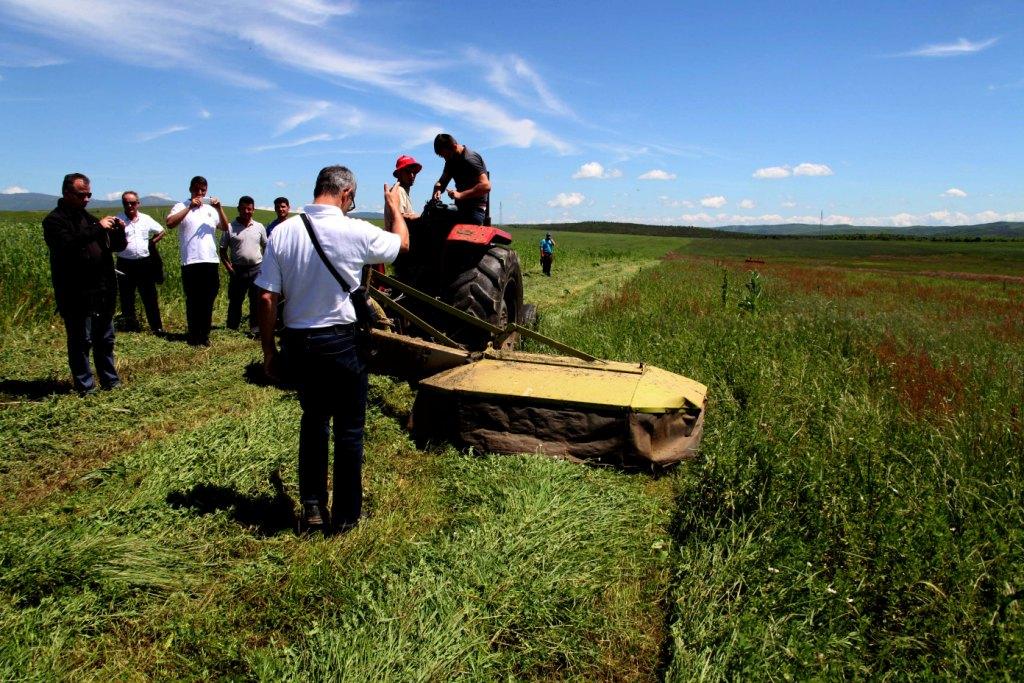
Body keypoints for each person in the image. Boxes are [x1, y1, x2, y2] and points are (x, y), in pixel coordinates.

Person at [256, 165, 410, 534]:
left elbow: (265, 297)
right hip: (343, 342)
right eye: (352, 199)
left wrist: (269, 353)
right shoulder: (354, 230)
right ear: (345, 194)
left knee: (313, 422)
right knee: (350, 430)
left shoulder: (283, 232)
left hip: (299, 341)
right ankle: (345, 517)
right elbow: (401, 245)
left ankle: (311, 507)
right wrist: (394, 209)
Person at [43, 173, 127, 395]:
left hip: (102, 289)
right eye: (82, 194)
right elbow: (68, 245)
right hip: (76, 292)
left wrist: (119, 231)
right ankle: (86, 386)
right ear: (67, 193)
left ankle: (110, 381)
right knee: (81, 341)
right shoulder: (55, 220)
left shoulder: (88, 218)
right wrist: (98, 227)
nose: (87, 198)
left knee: (105, 339)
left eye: (89, 194)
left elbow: (114, 247)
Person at [165, 176, 229, 346]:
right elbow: (170, 223)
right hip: (191, 261)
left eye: (203, 190)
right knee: (193, 300)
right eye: (197, 189)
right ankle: (193, 335)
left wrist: (219, 208)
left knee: (208, 299)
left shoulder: (211, 209)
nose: (200, 193)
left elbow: (225, 227)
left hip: (210, 260)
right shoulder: (181, 206)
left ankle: (204, 335)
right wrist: (189, 207)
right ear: (190, 190)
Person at [115, 191, 165, 334]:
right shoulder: (118, 219)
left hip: (144, 263)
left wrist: (151, 243)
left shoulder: (146, 219)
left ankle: (157, 327)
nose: (129, 205)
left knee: (149, 296)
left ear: (138, 203)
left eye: (132, 203)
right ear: (123, 204)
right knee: (126, 296)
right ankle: (130, 326)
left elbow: (161, 231)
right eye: (126, 203)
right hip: (124, 263)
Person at [219, 195, 267, 335]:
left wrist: (265, 266)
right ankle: (232, 328)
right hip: (237, 270)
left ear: (253, 210)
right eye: (244, 208)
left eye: (250, 209)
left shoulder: (259, 227)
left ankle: (255, 328)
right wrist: (229, 268)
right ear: (238, 209)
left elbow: (266, 247)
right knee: (235, 299)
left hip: (256, 269)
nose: (247, 211)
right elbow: (222, 250)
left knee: (256, 300)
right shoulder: (229, 227)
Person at [431, 133, 490, 224]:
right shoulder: (451, 162)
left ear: (454, 147)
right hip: (460, 208)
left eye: (446, 156)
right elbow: (441, 182)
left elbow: (486, 186)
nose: (445, 159)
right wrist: (438, 189)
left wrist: (460, 195)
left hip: (475, 210)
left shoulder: (470, 159)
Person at [386, 155, 421, 229]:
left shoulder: (402, 191)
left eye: (414, 172)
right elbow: (399, 217)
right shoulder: (399, 190)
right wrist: (422, 217)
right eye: (408, 172)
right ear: (399, 174)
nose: (412, 175)